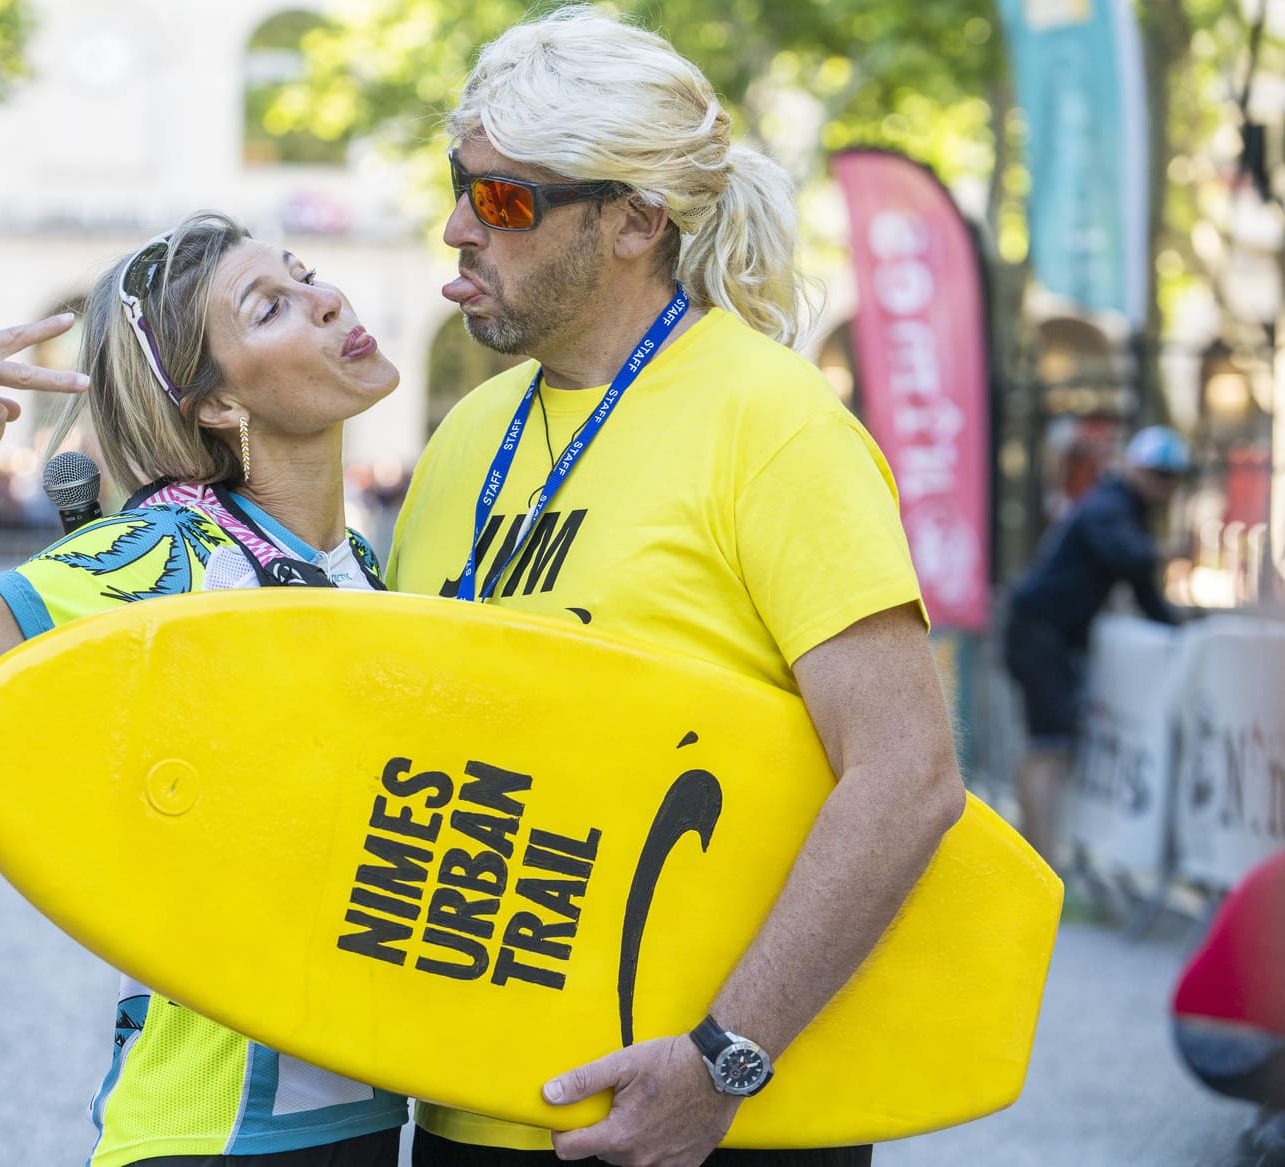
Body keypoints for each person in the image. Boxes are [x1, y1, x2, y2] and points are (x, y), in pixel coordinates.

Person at [386, 10, 964, 1166]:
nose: (457, 225)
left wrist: (722, 1059)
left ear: (634, 220)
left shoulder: (773, 421)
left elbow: (907, 778)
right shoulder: (466, 435)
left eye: (502, 200)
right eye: (460, 184)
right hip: (469, 1108)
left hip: (705, 1122)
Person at [0, 211, 407, 1167]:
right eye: (271, 307)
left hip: (353, 1116)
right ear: (219, 406)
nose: (327, 299)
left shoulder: (358, 564)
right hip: (212, 1127)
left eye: (305, 274)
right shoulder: (169, 553)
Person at [1002, 424, 1190, 870]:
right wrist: (1168, 551)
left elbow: (1144, 593)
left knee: (1047, 746)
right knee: (1048, 746)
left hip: (1042, 632)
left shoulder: (1125, 510)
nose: (1163, 484)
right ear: (1135, 469)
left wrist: (1185, 630)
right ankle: (1039, 865)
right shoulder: (1111, 505)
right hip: (1038, 631)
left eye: (1170, 476)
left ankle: (1034, 862)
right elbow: (1124, 554)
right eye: (1156, 473)